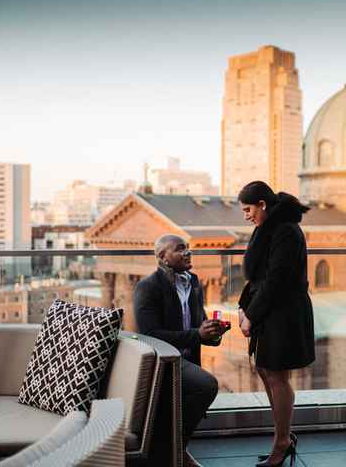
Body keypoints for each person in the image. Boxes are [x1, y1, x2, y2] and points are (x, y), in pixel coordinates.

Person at [237, 181, 315, 467]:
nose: (246, 215)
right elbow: (259, 278)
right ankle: (283, 436)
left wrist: (251, 315)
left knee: (276, 375)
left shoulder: (284, 231)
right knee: (266, 370)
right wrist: (242, 307)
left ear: (263, 205)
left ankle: (282, 442)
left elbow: (276, 281)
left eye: (248, 209)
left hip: (284, 312)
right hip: (271, 309)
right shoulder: (269, 228)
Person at [134, 234, 227, 467]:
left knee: (198, 388)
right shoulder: (148, 287)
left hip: (187, 359)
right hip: (162, 361)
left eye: (188, 248)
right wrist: (197, 335)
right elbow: (151, 335)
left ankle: (173, 450)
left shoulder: (194, 284)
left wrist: (212, 332)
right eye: (180, 249)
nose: (187, 253)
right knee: (207, 385)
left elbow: (198, 324)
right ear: (162, 257)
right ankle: (173, 450)